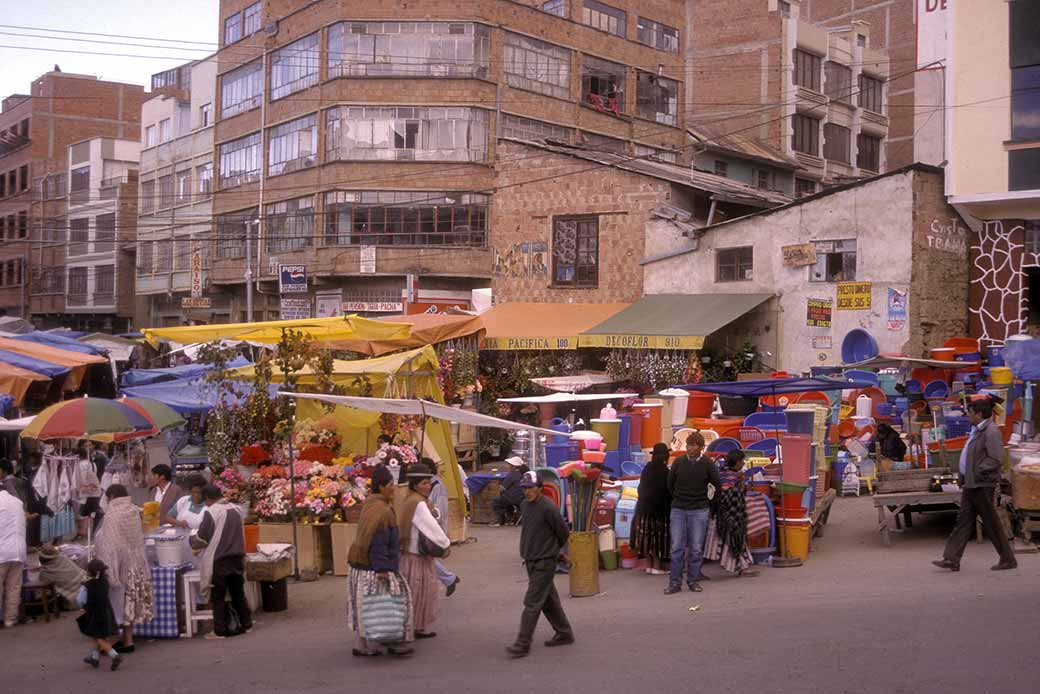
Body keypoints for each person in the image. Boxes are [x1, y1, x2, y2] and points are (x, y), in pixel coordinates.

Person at [933, 397, 1017, 572]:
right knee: (963, 521)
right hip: (971, 483)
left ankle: (1008, 559)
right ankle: (951, 559)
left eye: (970, 413)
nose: (968, 416)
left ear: (979, 414)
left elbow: (996, 458)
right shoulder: (977, 430)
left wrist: (978, 471)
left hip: (982, 484)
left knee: (991, 523)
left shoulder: (991, 431)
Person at [347, 465, 414, 658]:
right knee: (389, 603)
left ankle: (365, 644)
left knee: (368, 606)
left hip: (361, 565)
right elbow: (379, 542)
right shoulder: (383, 511)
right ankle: (391, 640)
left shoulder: (370, 504)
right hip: (374, 566)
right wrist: (382, 569)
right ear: (382, 487)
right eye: (391, 484)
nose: (394, 487)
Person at [506, 471, 573, 658]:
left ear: (540, 488)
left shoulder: (548, 508)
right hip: (531, 559)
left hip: (544, 561)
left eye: (531, 488)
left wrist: (554, 552)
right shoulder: (525, 506)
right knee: (548, 600)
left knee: (532, 602)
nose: (528, 491)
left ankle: (522, 643)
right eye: (525, 488)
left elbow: (563, 532)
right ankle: (564, 632)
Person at [95, 484, 153, 653]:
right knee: (130, 602)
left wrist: (107, 571)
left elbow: (111, 547)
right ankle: (128, 640)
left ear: (112, 497)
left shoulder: (112, 515)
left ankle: (111, 643)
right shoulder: (134, 511)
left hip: (118, 567)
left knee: (117, 605)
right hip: (136, 564)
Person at [397, 463, 451, 639]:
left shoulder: (412, 500)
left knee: (418, 593)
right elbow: (432, 528)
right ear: (414, 485)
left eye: (429, 483)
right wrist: (445, 545)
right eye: (423, 483)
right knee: (417, 593)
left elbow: (434, 515)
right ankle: (409, 630)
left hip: (410, 555)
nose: (428, 486)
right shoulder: (418, 504)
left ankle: (417, 627)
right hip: (415, 556)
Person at [193, 484, 252, 639]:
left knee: (217, 596)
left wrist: (192, 541)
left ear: (207, 499)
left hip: (220, 559)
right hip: (237, 557)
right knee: (237, 592)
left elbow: (202, 538)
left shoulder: (212, 512)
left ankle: (220, 630)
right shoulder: (236, 509)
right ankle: (247, 624)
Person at [665, 432, 720, 594]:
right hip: (679, 509)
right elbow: (670, 484)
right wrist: (678, 498)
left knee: (696, 548)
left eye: (693, 445)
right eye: (688, 445)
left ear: (701, 447)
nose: (690, 448)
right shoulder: (678, 462)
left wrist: (708, 504)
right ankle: (674, 583)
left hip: (699, 510)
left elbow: (716, 485)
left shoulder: (708, 464)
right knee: (676, 548)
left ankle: (693, 581)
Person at [704, 450, 757, 577]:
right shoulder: (736, 477)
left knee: (714, 543)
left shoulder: (719, 474)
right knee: (735, 541)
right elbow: (735, 494)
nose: (743, 463)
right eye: (742, 461)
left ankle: (742, 566)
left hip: (718, 513)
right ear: (737, 462)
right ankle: (742, 567)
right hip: (732, 515)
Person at [632, 443, 671, 575]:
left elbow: (641, 488)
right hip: (659, 511)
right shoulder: (666, 472)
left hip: (644, 509)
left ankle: (649, 566)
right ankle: (657, 567)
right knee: (658, 539)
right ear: (666, 456)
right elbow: (668, 492)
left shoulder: (646, 470)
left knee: (647, 538)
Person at [77, 559, 123, 671]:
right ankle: (94, 657)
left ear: (89, 572)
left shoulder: (86, 586)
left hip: (94, 615)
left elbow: (80, 600)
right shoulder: (105, 582)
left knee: (98, 637)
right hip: (106, 612)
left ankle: (114, 655)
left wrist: (82, 607)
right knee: (99, 635)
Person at [426, 459, 461, 596]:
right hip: (430, 526)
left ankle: (448, 578)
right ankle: (448, 579)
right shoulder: (429, 485)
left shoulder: (438, 485)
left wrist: (429, 518)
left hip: (434, 527)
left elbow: (440, 511)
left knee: (425, 557)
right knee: (425, 558)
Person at [0, 484, 26, 628]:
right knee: (13, 587)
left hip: (2, 551)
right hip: (18, 550)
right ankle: (10, 619)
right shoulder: (18, 502)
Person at [492, 457, 528, 526]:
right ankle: (510, 519)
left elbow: (502, 488)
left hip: (512, 499)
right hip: (521, 498)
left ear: (514, 466)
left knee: (496, 501)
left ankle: (500, 520)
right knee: (507, 500)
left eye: (509, 465)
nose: (508, 466)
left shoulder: (511, 475)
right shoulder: (523, 474)